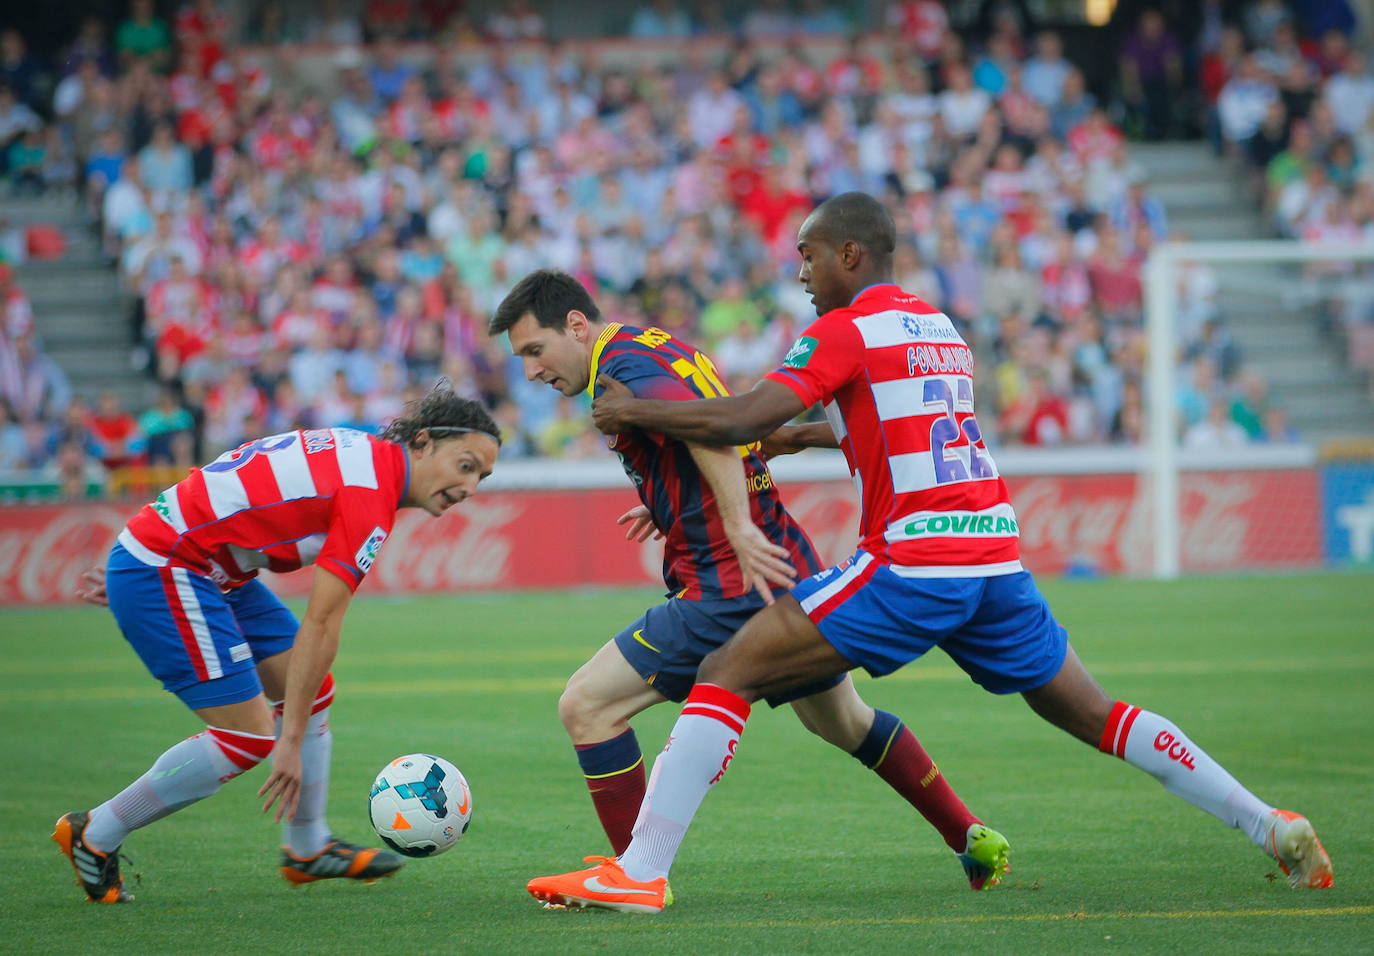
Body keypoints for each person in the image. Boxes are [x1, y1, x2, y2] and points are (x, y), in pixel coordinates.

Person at [526, 193, 1334, 912]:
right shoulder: (936, 329)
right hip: (995, 560)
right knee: (1096, 714)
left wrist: (642, 414)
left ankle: (641, 873)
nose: (800, 271)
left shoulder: (844, 330)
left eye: (807, 253)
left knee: (727, 670)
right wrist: (781, 442)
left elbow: (736, 418)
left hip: (917, 563)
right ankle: (1269, 823)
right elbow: (860, 426)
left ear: (851, 254)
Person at [489, 269, 1009, 893]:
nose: (532, 371)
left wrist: (733, 523)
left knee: (588, 705)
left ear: (576, 325)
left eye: (535, 351)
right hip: (784, 560)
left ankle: (635, 873)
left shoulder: (621, 366)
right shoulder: (653, 343)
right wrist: (670, 501)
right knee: (842, 720)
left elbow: (711, 429)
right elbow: (706, 428)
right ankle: (969, 834)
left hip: (728, 578)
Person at [53, 388, 502, 903]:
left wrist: (142, 547)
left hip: (199, 564)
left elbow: (233, 484)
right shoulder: (369, 494)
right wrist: (287, 742)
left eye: (481, 476)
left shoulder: (367, 462)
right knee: (251, 737)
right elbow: (321, 625)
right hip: (174, 565)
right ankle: (96, 833)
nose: (469, 486)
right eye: (465, 466)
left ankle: (307, 848)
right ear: (422, 443)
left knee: (313, 691)